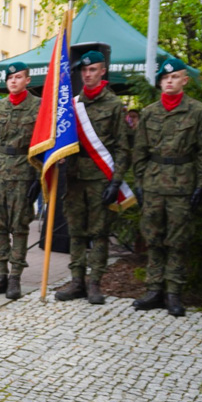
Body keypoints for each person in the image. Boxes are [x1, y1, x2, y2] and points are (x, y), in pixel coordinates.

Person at [131, 58, 202, 317]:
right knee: (153, 238)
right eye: (165, 78)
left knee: (177, 240)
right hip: (153, 183)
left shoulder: (197, 111)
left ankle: (173, 292)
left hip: (182, 183)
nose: (169, 81)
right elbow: (139, 150)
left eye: (174, 77)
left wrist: (200, 185)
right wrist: (139, 183)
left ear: (185, 80)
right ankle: (154, 289)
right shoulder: (149, 112)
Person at [54, 51, 130, 305]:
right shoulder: (72, 104)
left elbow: (122, 147)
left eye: (93, 70)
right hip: (74, 176)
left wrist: (117, 181)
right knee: (75, 232)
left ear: (103, 71)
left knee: (98, 233)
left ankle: (95, 282)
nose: (87, 74)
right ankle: (77, 281)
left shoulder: (114, 105)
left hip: (100, 176)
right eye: (84, 71)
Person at [0, 63, 41, 300]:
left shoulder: (38, 107)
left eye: (18, 77)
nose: (13, 81)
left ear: (27, 80)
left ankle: (15, 278)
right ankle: (0, 275)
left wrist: (37, 176)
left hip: (24, 173)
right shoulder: (1, 106)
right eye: (10, 78)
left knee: (20, 228)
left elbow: (42, 145)